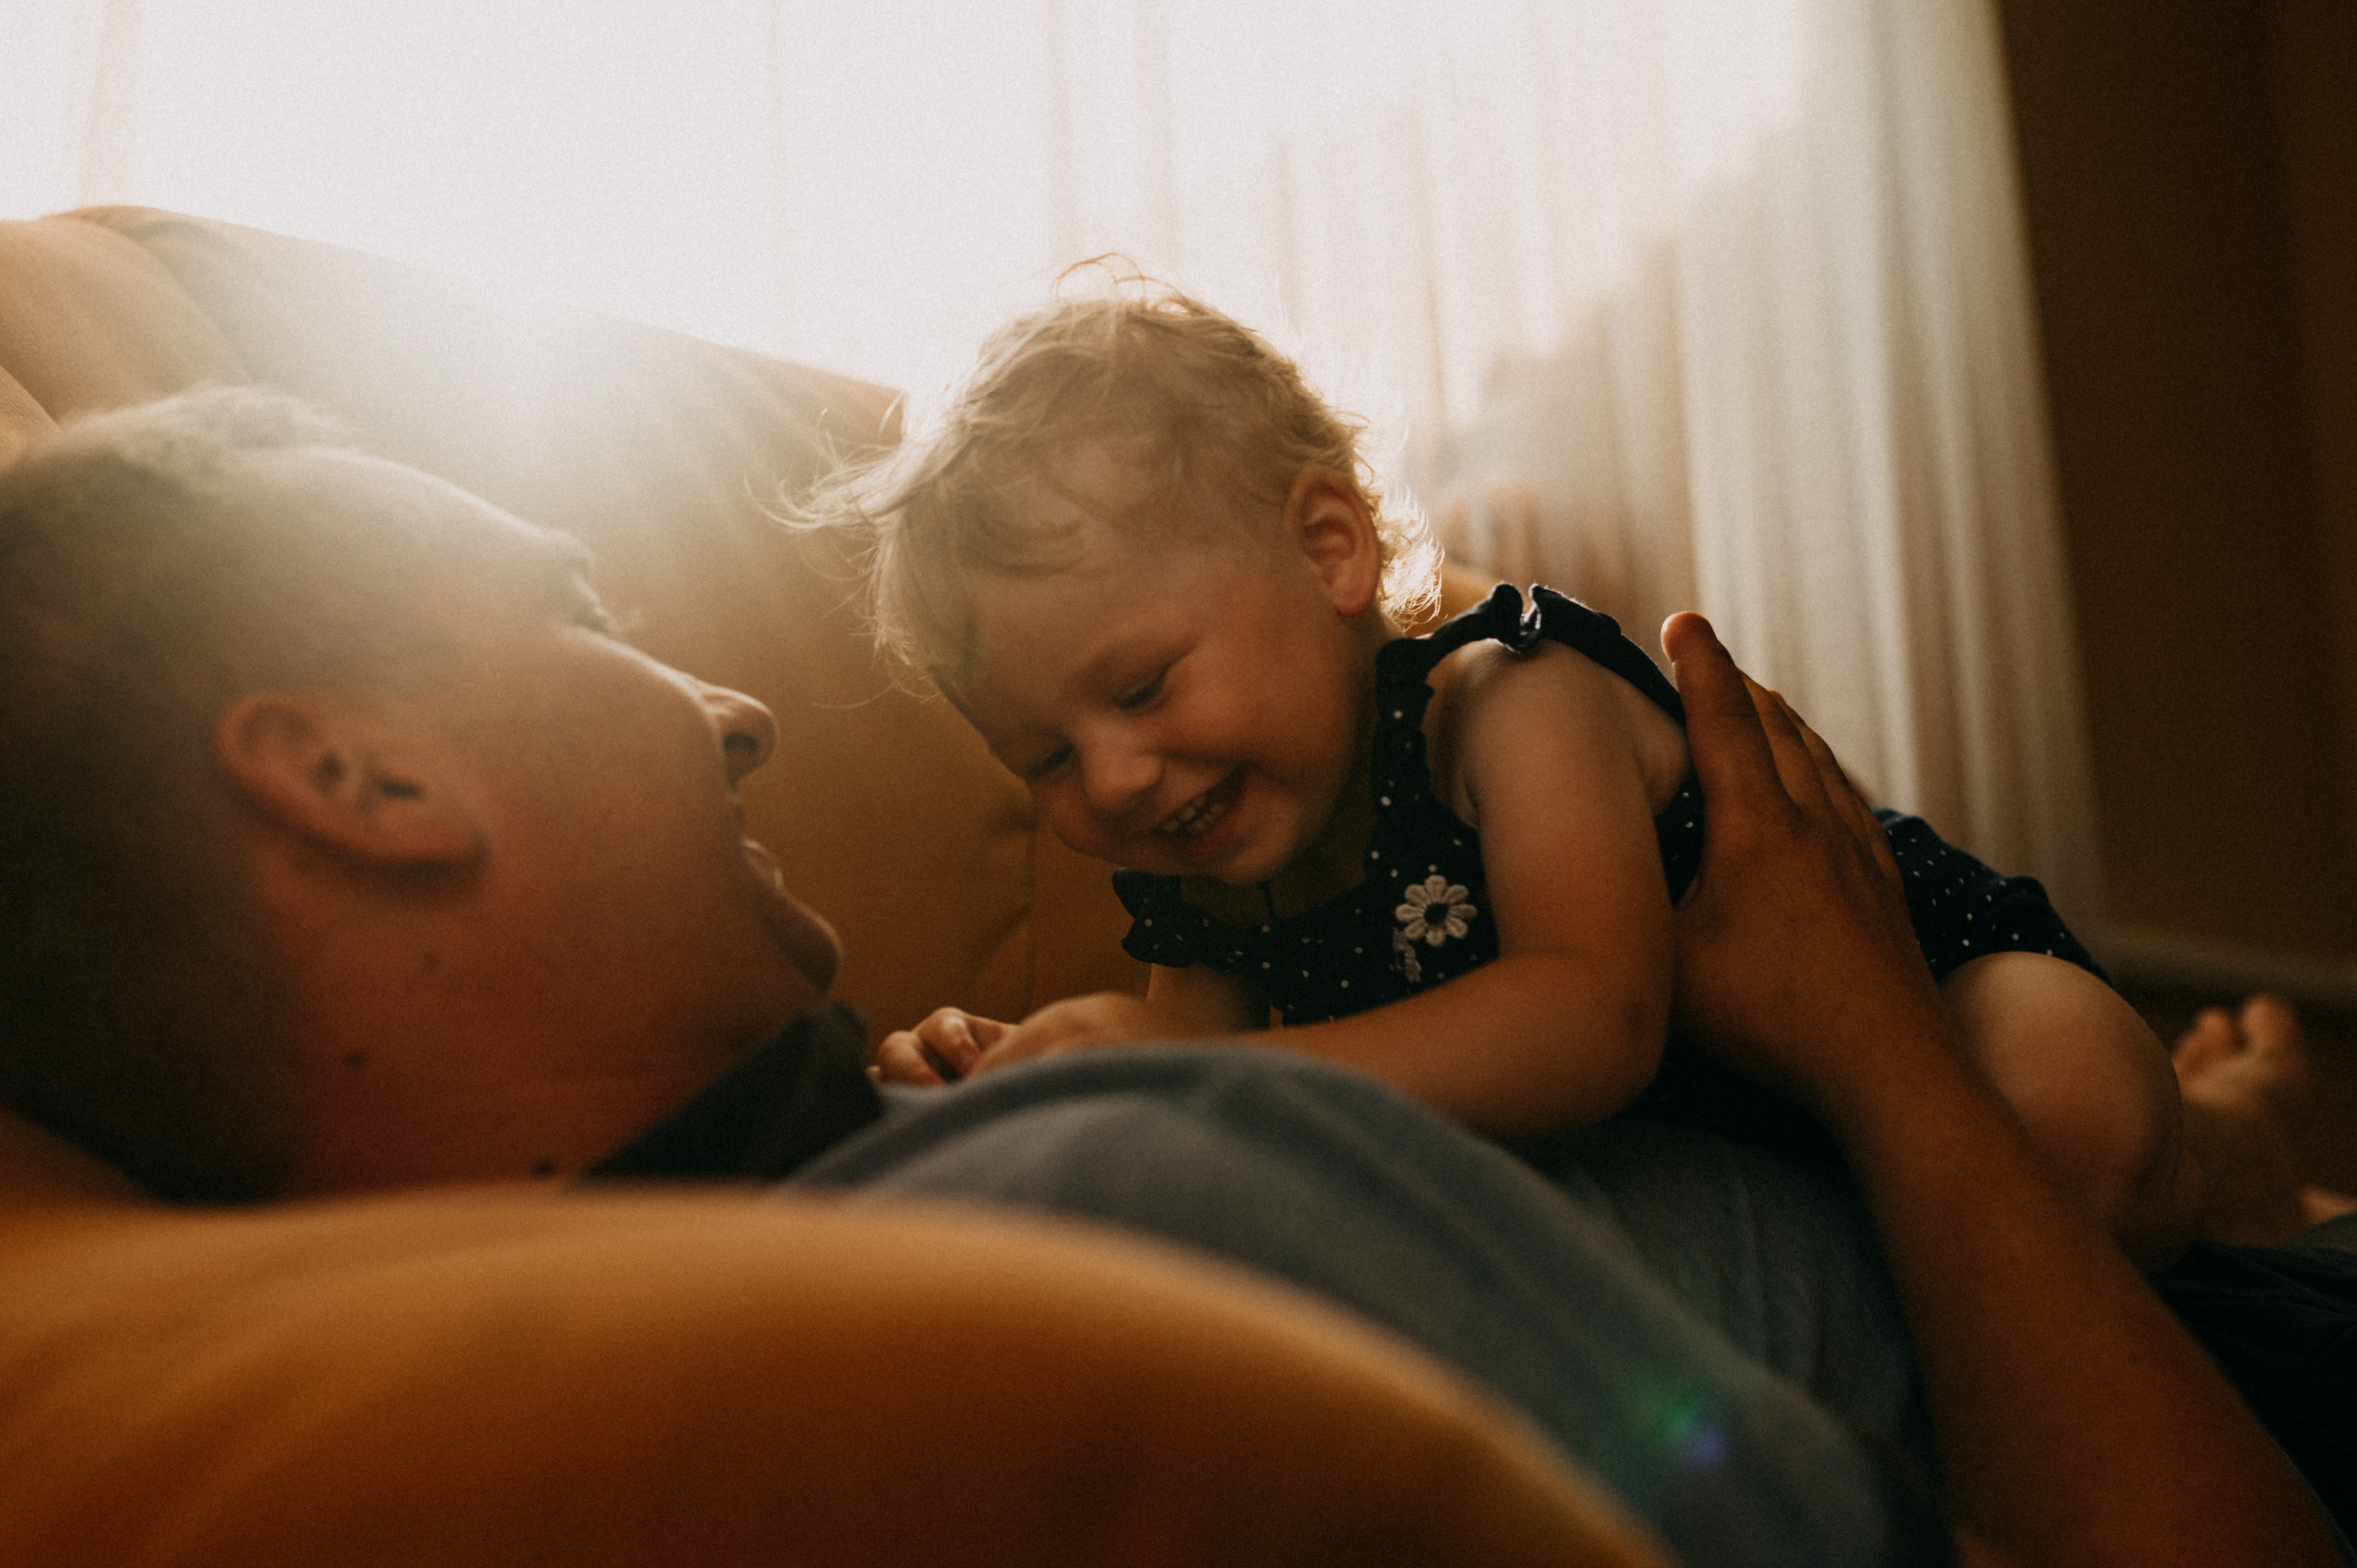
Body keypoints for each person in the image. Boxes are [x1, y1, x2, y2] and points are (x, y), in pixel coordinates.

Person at [0, 387, 2343, 1565]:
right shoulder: (1113, 1211)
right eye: (578, 619)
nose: (727, 704)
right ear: (357, 782)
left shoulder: (1013, 1123)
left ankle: (2233, 1136)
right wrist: (1863, 1051)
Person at [806, 273, 2206, 1266]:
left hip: (1930, 988)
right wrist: (1022, 1082)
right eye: (1044, 754)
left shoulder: (1503, 700)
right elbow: (1196, 1110)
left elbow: (1594, 1013)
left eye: (1143, 685)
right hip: (1757, 1165)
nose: (1109, 781)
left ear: (1328, 551)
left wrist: (1198, 1067)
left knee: (2075, 1142)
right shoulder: (1214, 864)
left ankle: (2228, 1139)